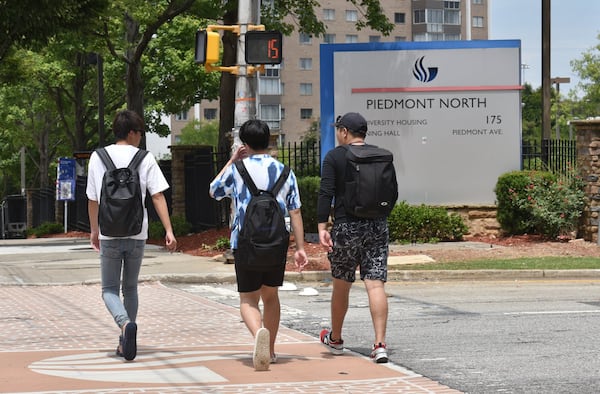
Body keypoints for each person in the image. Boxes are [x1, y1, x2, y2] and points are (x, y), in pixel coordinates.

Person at [209, 119, 308, 371]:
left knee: (248, 300)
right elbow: (295, 211)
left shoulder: (238, 170)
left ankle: (258, 335)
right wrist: (300, 248)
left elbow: (214, 190)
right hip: (276, 243)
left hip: (246, 243)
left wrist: (232, 160)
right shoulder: (285, 171)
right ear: (269, 140)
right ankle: (271, 349)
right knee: (271, 296)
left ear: (244, 143)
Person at [86, 109, 177, 361]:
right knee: (130, 288)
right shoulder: (144, 158)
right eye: (140, 133)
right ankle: (127, 336)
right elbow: (157, 195)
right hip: (138, 233)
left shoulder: (98, 157)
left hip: (109, 233)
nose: (141, 138)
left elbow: (93, 199)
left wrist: (95, 230)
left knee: (109, 290)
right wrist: (168, 230)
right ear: (132, 132)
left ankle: (125, 326)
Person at [317, 112, 391, 363]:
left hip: (347, 227)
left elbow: (325, 193)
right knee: (375, 283)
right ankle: (380, 344)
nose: (337, 133)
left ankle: (335, 339)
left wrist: (321, 227)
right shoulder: (380, 155)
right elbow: (393, 192)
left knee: (341, 283)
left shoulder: (335, 156)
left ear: (345, 132)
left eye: (338, 129)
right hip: (377, 225)